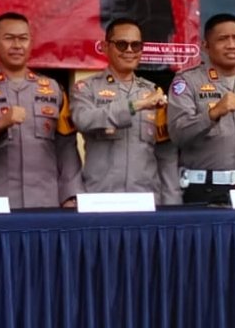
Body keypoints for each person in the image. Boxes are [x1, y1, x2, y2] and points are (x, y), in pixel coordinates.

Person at [0, 12, 81, 208]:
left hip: (44, 202)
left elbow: (67, 148)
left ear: (31, 43)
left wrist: (71, 195)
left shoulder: (54, 90)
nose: (16, 45)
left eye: (23, 38)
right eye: (9, 38)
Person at [71, 17, 180, 204]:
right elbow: (83, 120)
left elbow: (166, 155)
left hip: (146, 199)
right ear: (105, 47)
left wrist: (172, 203)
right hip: (100, 198)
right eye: (122, 45)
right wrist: (134, 105)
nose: (129, 50)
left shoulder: (153, 92)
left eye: (136, 45)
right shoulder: (87, 88)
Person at [167, 13, 235, 204]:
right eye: (223, 39)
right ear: (205, 46)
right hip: (204, 188)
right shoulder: (187, 81)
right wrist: (212, 114)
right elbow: (177, 133)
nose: (231, 45)